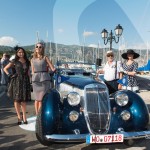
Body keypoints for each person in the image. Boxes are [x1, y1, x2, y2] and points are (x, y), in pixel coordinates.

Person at [4, 46, 31, 125]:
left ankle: (24, 117)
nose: (21, 53)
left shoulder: (27, 61)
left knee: (23, 100)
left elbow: (28, 73)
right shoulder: (14, 61)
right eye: (19, 52)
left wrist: (30, 81)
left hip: (25, 81)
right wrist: (9, 75)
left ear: (24, 53)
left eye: (22, 52)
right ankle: (19, 117)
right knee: (16, 99)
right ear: (17, 53)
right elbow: (5, 68)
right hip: (16, 81)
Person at [31, 41, 56, 115]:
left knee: (42, 99)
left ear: (42, 49)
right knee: (36, 99)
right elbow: (32, 71)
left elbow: (52, 68)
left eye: (40, 47)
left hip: (44, 80)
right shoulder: (32, 59)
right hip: (36, 80)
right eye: (37, 46)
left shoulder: (45, 58)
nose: (38, 48)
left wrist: (51, 73)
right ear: (35, 48)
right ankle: (37, 114)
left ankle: (40, 115)